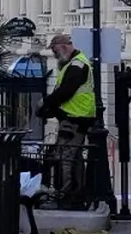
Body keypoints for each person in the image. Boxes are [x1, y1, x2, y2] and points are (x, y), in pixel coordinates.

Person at [40, 33, 98, 195]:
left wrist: (46, 103)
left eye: (55, 50)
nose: (54, 54)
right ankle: (77, 192)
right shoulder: (73, 63)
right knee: (74, 156)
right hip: (73, 117)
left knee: (66, 156)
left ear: (64, 47)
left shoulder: (77, 65)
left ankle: (68, 194)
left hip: (76, 118)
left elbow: (66, 91)